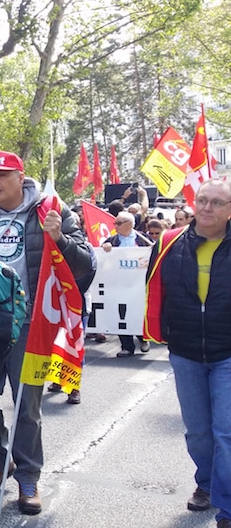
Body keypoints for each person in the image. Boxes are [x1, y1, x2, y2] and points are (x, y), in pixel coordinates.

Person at [0, 151, 93, 514]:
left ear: (21, 177)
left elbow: (85, 262)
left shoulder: (51, 209)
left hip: (31, 325)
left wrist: (61, 239)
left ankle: (29, 476)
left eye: (2, 174)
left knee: (27, 405)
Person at [144, 179, 231, 528]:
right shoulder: (169, 243)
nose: (208, 208)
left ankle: (226, 506)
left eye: (218, 203)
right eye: (203, 200)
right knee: (198, 431)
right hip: (186, 352)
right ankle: (206, 484)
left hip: (228, 353)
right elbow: (153, 286)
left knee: (226, 431)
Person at [101, 211, 153, 358]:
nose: (115, 226)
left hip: (139, 285)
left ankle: (143, 339)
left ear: (129, 225)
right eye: (115, 223)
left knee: (139, 312)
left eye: (118, 223)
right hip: (120, 285)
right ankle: (127, 346)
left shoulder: (143, 239)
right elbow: (102, 260)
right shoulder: (112, 240)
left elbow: (155, 254)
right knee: (121, 314)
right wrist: (105, 248)